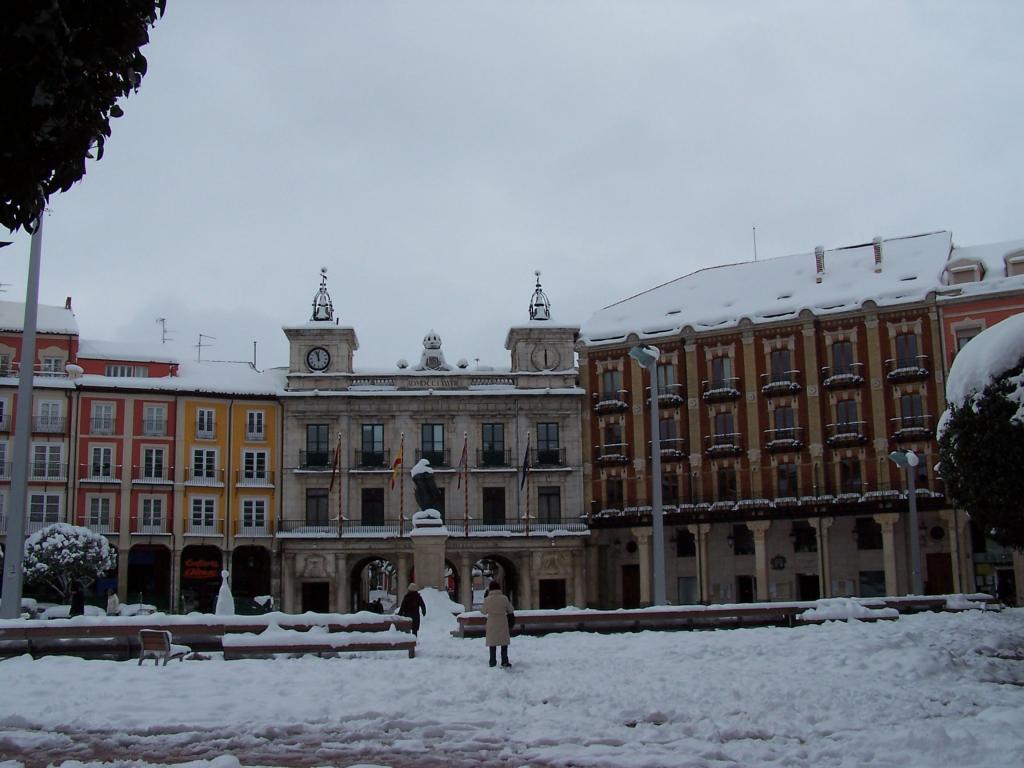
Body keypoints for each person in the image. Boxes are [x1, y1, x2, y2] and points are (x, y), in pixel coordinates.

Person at [480, 580, 514, 668]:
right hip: (502, 621)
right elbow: (510, 610)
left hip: (492, 622)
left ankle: (492, 661)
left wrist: (485, 598)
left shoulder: (487, 599)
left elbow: (483, 611)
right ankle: (505, 660)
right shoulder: (504, 598)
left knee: (492, 643)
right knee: (503, 643)